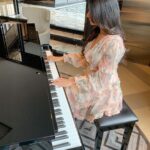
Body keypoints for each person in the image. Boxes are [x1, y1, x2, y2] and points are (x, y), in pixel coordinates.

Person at [46, 0, 125, 123]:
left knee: (59, 93)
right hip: (91, 80)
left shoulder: (114, 43)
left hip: (102, 90)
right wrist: (60, 58)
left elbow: (101, 81)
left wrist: (71, 81)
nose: (87, 15)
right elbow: (85, 59)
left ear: (103, 12)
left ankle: (61, 126)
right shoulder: (99, 32)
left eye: (91, 11)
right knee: (57, 88)